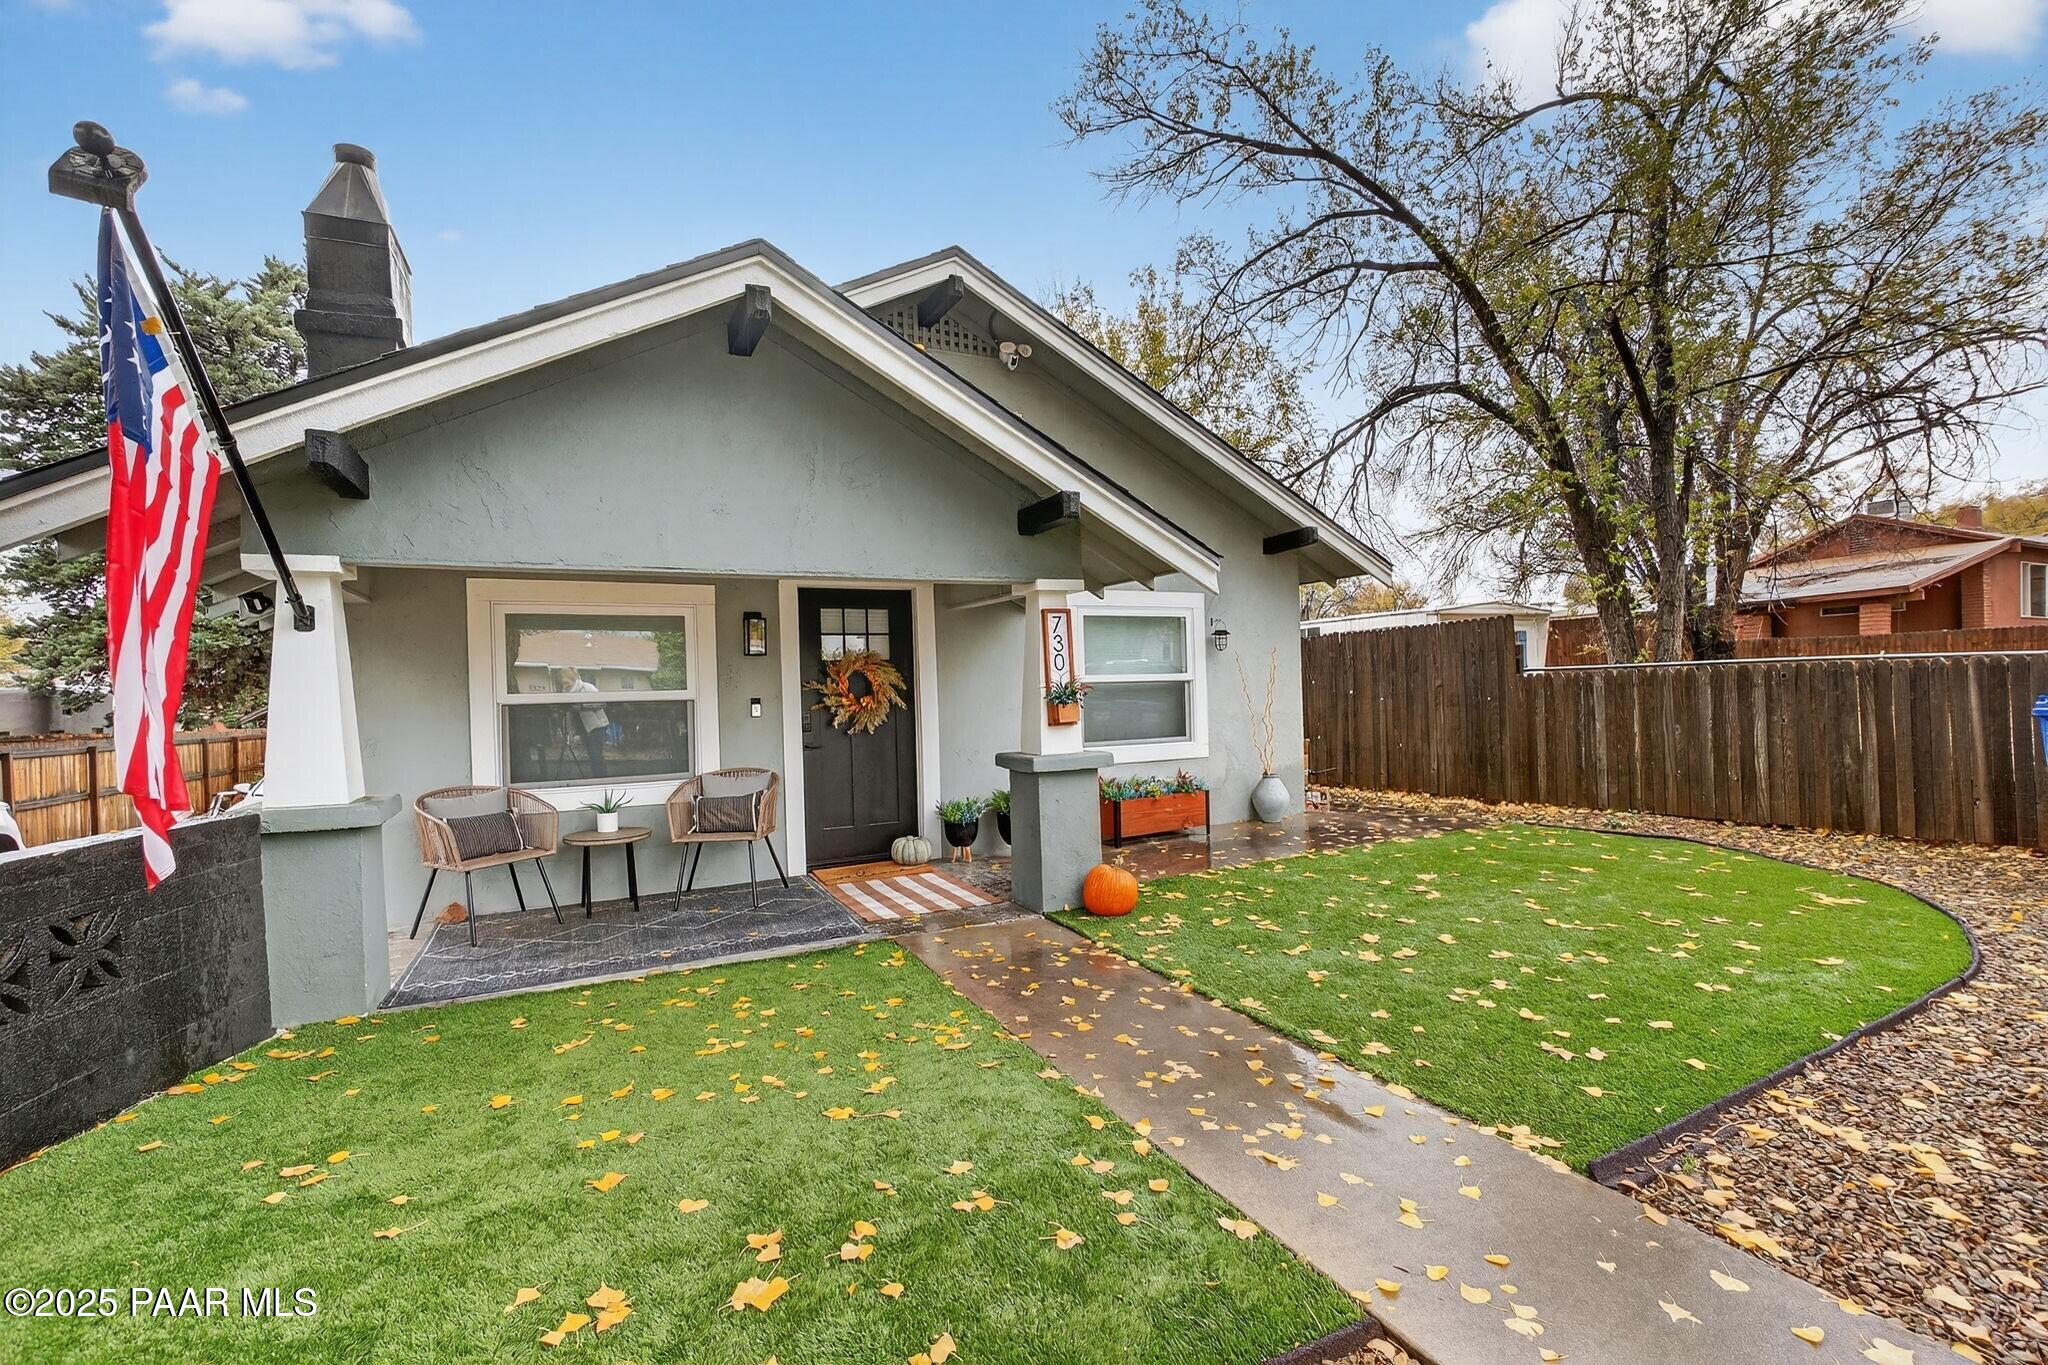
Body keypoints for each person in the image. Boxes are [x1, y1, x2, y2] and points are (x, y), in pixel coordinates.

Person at [562, 667, 610, 777]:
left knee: (596, 755)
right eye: (563, 683)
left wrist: (583, 706)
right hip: (583, 728)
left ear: (573, 679)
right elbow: (569, 714)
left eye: (566, 682)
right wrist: (569, 732)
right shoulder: (566, 693)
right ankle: (596, 777)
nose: (565, 685)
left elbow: (602, 703)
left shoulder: (587, 688)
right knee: (591, 756)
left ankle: (602, 779)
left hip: (596, 727)